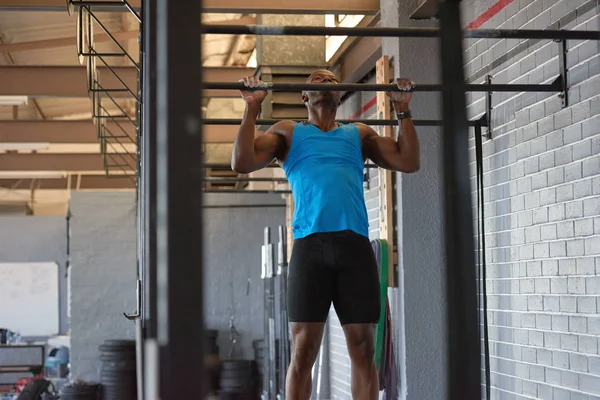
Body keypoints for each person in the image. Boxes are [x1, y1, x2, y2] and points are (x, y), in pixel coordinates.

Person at [231, 69, 420, 400]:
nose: (326, 81)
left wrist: (403, 110)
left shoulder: (357, 133)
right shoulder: (289, 133)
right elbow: (242, 161)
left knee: (363, 349)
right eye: (317, 79)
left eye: (332, 79)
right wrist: (251, 109)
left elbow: (408, 161)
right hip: (310, 248)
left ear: (341, 93)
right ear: (304, 95)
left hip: (354, 248)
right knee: (303, 351)